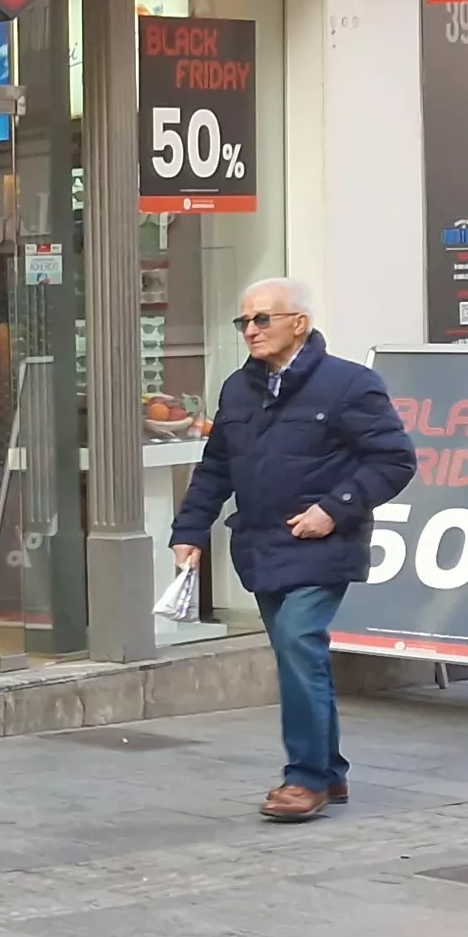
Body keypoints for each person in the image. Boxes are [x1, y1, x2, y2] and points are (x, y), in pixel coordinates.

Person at [171, 277, 416, 823]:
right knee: (295, 655)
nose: (250, 331)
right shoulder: (238, 389)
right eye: (244, 322)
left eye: (262, 319)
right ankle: (329, 771)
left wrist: (334, 509)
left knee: (301, 646)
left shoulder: (349, 385)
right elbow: (215, 468)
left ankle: (304, 779)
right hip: (260, 546)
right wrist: (189, 531)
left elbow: (394, 461)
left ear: (298, 323)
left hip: (322, 543)